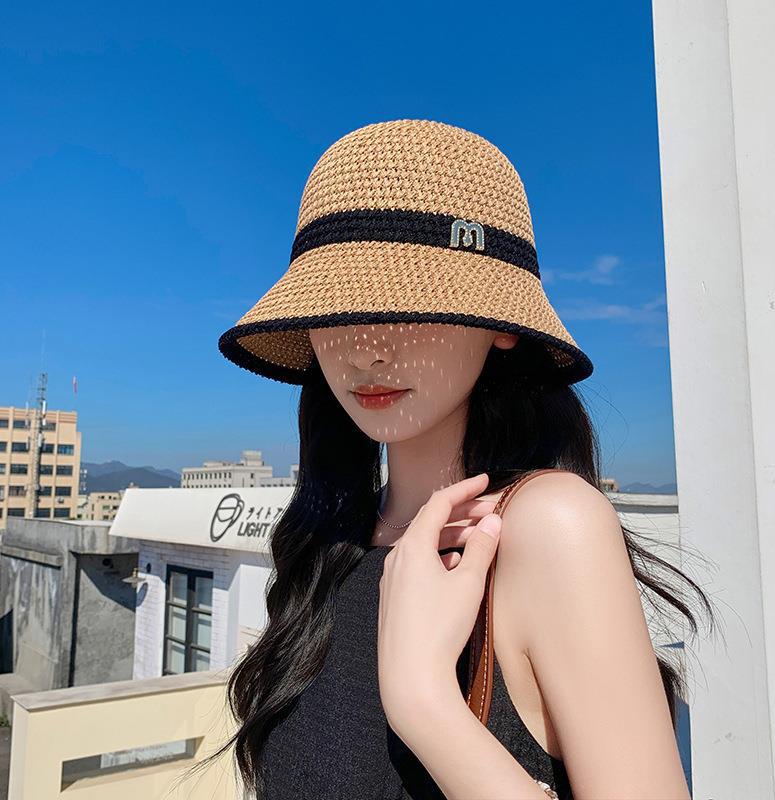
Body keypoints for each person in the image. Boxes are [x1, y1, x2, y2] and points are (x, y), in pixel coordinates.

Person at [209, 119, 713, 799]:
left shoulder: (550, 526)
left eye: (409, 300)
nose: (367, 347)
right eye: (337, 306)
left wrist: (427, 704)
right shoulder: (328, 541)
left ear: (501, 325)